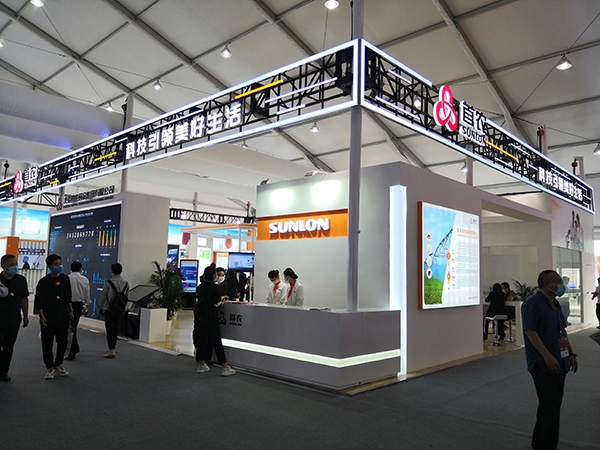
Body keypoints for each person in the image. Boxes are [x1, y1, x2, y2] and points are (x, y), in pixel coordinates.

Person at [522, 270, 578, 450]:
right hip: (542, 363)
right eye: (558, 281)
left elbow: (562, 331)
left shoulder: (555, 304)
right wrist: (546, 355)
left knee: (553, 407)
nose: (562, 285)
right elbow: (530, 331)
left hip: (560, 360)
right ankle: (544, 445)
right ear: (547, 284)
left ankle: (542, 443)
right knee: (550, 407)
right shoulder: (532, 303)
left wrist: (571, 354)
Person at [35, 254, 73, 380]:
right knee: (47, 342)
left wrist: (70, 310)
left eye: (60, 263)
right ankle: (49, 367)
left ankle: (58, 364)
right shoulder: (44, 282)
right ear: (50, 266)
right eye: (56, 264)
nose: (59, 266)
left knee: (63, 341)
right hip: (48, 316)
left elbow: (68, 296)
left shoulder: (65, 279)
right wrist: (41, 316)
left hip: (63, 315)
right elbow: (39, 301)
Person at [193, 266, 236, 376]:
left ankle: (201, 364)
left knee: (201, 341)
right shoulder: (215, 287)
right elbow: (216, 304)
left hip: (200, 317)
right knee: (217, 342)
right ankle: (225, 367)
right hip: (211, 319)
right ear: (213, 275)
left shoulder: (200, 287)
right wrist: (223, 302)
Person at [0, 254, 30, 382]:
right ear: (3, 266)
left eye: (16, 264)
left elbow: (24, 298)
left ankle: (4, 372)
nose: (14, 267)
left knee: (8, 346)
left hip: (14, 318)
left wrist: (26, 315)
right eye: (11, 265)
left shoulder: (21, 280)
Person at [98, 263, 129, 359]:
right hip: (120, 309)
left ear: (112, 271)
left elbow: (103, 296)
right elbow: (127, 297)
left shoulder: (109, 283)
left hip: (109, 309)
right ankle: (114, 345)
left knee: (110, 328)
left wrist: (100, 307)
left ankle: (111, 348)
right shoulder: (126, 283)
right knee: (116, 328)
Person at [65, 261, 91, 360]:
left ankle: (72, 350)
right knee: (73, 326)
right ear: (81, 269)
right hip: (79, 305)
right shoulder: (85, 279)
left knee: (70, 328)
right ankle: (74, 348)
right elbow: (87, 294)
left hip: (68, 304)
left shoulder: (67, 278)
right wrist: (87, 305)